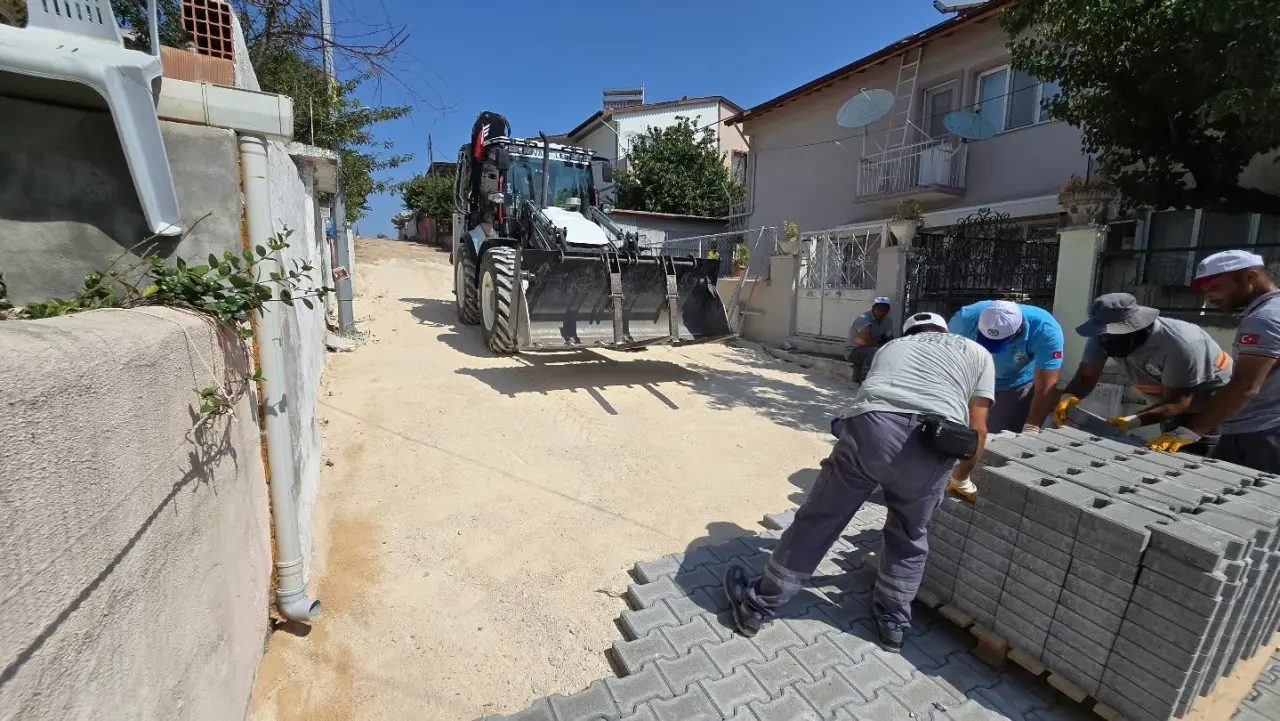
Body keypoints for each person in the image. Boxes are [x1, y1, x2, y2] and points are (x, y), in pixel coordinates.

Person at [723, 311, 994, 652]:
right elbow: (978, 428)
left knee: (820, 518)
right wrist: (961, 478)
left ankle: (758, 605)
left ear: (909, 332)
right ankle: (893, 622)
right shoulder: (977, 352)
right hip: (936, 444)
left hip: (873, 430)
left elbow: (870, 397)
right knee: (909, 532)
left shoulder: (892, 347)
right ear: (944, 330)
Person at [1148, 251, 1280, 473]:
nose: (1209, 296)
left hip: (1260, 433)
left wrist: (1190, 431)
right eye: (1205, 290)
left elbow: (1245, 386)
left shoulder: (1263, 319)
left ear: (1250, 277)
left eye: (1216, 287)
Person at [1051, 293, 1231, 455]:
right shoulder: (1103, 336)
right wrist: (1068, 396)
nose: (1104, 340)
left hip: (1214, 407)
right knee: (1168, 447)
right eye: (1102, 335)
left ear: (1137, 328)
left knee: (1195, 458)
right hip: (1171, 404)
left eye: (1112, 335)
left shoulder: (1180, 345)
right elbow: (1086, 376)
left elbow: (1176, 402)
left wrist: (1130, 421)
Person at [949, 300, 1064, 433]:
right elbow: (945, 358)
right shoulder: (964, 319)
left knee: (999, 434)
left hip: (1013, 383)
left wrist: (1032, 426)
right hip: (969, 379)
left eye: (997, 343)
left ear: (1019, 329)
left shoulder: (1045, 330)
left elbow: (1046, 385)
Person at [846, 297, 895, 384]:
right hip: (853, 350)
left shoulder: (888, 320)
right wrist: (881, 345)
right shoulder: (863, 318)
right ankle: (865, 381)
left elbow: (889, 338)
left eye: (885, 310)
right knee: (875, 352)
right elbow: (865, 341)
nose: (882, 312)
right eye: (879, 309)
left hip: (874, 347)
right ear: (873, 308)